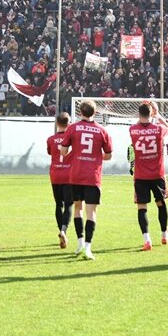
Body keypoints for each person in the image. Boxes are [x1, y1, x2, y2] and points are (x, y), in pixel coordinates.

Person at [59, 100, 113, 260]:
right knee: (91, 212)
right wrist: (96, 156)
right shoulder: (102, 131)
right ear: (95, 112)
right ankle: (88, 248)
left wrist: (71, 151)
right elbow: (108, 155)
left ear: (80, 112)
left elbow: (63, 152)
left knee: (77, 208)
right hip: (92, 176)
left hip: (76, 174)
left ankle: (80, 243)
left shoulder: (72, 128)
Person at [128, 101, 168, 251]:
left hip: (141, 176)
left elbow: (137, 124)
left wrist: (144, 114)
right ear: (151, 113)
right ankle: (164, 234)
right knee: (161, 203)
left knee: (142, 207)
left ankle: (147, 240)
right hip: (157, 174)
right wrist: (157, 115)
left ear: (139, 114)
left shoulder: (133, 130)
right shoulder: (159, 129)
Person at [46, 112, 73, 249]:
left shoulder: (51, 139)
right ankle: (63, 230)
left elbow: (50, 152)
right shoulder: (73, 139)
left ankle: (62, 232)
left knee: (58, 204)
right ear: (69, 123)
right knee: (69, 205)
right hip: (69, 175)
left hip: (55, 174)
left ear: (57, 123)